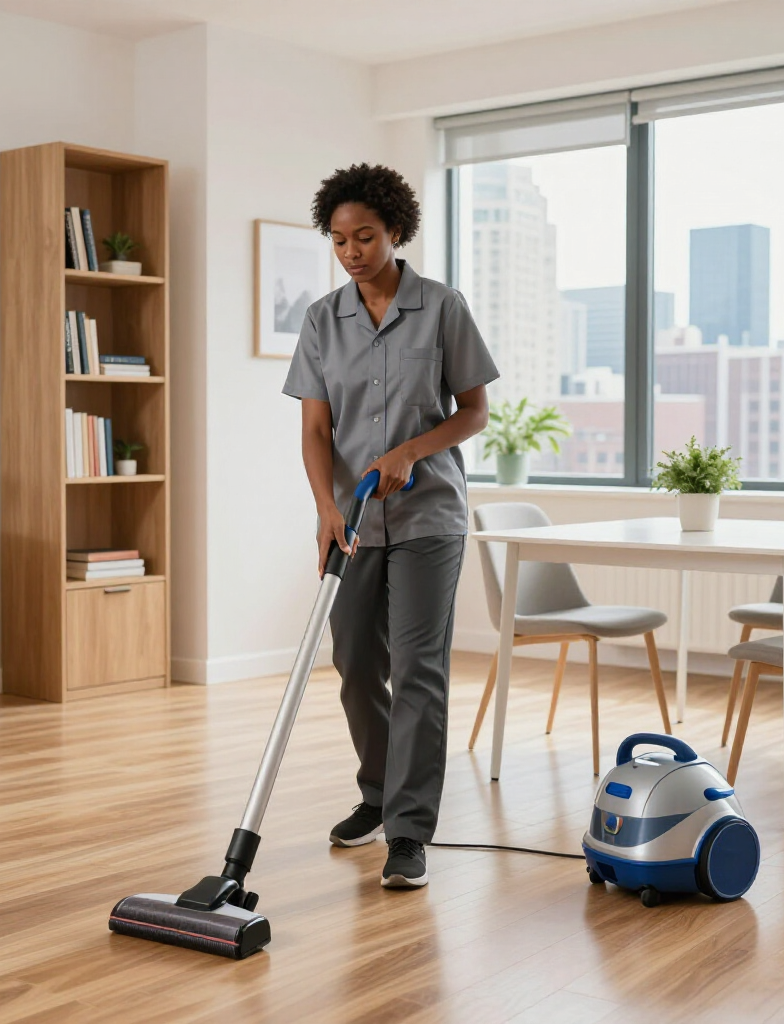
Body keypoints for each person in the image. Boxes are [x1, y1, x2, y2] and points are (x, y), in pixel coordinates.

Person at [282, 163, 498, 888]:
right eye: (339, 239)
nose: (351, 251)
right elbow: (315, 430)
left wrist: (411, 449)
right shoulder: (322, 320)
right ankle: (375, 793)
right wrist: (325, 507)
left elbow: (474, 411)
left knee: (418, 670)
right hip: (354, 519)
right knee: (354, 664)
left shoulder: (441, 308)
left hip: (429, 515)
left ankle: (409, 829)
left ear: (395, 231)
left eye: (365, 236)